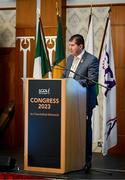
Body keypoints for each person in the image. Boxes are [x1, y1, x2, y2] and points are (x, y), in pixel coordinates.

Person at [62, 34, 99, 173]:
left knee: (84, 130)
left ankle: (86, 160)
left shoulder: (91, 60)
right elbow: (64, 76)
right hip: (68, 101)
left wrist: (72, 83)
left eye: (72, 45)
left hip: (83, 101)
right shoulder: (70, 58)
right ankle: (71, 158)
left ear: (80, 46)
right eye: (69, 44)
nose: (70, 47)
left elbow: (92, 80)